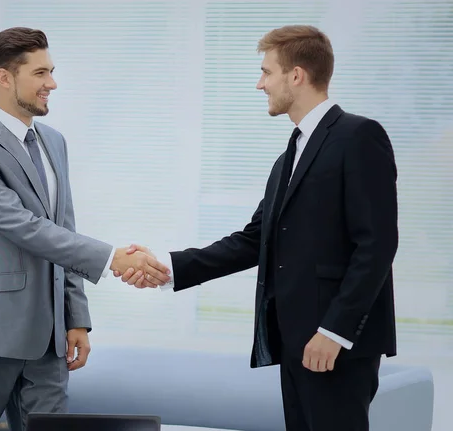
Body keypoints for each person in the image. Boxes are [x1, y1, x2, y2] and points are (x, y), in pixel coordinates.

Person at [118, 25, 398, 431]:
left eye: (267, 72)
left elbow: (376, 244)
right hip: (296, 340)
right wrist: (167, 268)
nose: (259, 84)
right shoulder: (290, 156)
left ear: (296, 75)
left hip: (332, 344)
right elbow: (252, 242)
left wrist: (334, 331)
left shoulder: (358, 136)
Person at [0, 27, 170, 431]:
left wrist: (76, 317)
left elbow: (63, 229)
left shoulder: (54, 142)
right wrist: (112, 257)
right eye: (41, 73)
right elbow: (25, 228)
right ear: (5, 77)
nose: (52, 83)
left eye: (52, 71)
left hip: (50, 339)